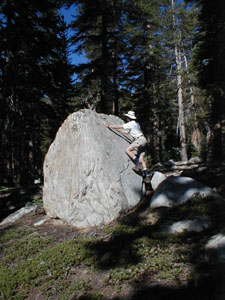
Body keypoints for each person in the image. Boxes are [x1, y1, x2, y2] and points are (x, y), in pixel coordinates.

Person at [103, 110, 151, 183]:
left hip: (139, 139)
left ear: (129, 118)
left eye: (127, 117)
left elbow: (119, 126)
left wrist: (108, 126)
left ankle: (138, 164)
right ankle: (147, 176)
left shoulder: (130, 123)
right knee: (141, 158)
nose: (126, 119)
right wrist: (119, 131)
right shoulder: (136, 124)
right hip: (144, 139)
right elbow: (127, 132)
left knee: (128, 150)